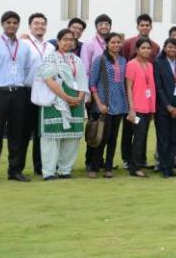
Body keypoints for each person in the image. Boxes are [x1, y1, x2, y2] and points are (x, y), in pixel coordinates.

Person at [0, 10, 36, 183]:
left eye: (15, 22)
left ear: (18, 25)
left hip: (18, 93)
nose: (11, 25)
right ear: (3, 24)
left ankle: (15, 169)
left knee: (17, 132)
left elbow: (26, 69)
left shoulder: (24, 47)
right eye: (8, 22)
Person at [36, 29, 88, 180]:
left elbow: (83, 81)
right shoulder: (50, 58)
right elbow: (49, 80)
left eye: (71, 39)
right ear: (58, 41)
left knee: (72, 138)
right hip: (55, 101)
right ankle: (49, 172)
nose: (68, 42)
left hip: (76, 103)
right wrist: (66, 97)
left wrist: (79, 98)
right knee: (51, 139)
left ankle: (65, 170)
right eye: (65, 39)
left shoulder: (77, 60)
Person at [87, 32, 128, 179]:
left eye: (118, 42)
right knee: (102, 137)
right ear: (107, 44)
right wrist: (99, 103)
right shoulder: (100, 60)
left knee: (113, 138)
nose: (116, 45)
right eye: (113, 42)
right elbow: (92, 84)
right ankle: (94, 166)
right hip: (104, 104)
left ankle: (109, 167)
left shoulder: (123, 60)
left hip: (120, 104)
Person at [22, 12, 52, 176]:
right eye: (36, 23)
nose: (40, 26)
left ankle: (39, 166)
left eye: (42, 23)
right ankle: (17, 168)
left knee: (41, 131)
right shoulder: (23, 44)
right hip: (27, 91)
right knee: (24, 131)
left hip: (45, 92)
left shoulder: (50, 46)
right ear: (30, 26)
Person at [153, 38, 176, 178]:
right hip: (163, 108)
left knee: (175, 138)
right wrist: (168, 106)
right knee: (163, 139)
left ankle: (170, 166)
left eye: (175, 47)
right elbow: (158, 87)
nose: (172, 50)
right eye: (170, 47)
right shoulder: (158, 63)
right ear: (165, 48)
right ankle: (163, 167)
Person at [124, 37, 155, 178]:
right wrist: (131, 108)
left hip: (148, 107)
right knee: (138, 137)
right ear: (137, 50)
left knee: (143, 137)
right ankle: (134, 167)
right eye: (143, 48)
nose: (146, 50)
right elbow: (129, 88)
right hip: (137, 108)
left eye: (148, 48)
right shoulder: (131, 64)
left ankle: (138, 163)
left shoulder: (150, 65)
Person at [80, 14, 112, 78]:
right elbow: (85, 68)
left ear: (110, 27)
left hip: (110, 82)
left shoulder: (112, 43)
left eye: (106, 24)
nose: (104, 26)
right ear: (96, 27)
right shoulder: (89, 43)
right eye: (100, 24)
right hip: (94, 83)